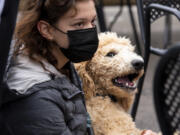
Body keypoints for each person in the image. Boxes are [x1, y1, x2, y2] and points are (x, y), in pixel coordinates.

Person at [0, 0, 158, 135]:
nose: (89, 31)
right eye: (79, 24)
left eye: (93, 21)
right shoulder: (37, 101)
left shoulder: (61, 62)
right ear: (46, 29)